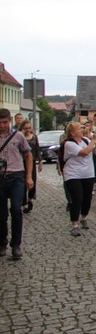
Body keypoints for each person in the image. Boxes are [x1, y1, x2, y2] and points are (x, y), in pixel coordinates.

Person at [0, 108, 33, 259]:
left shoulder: (18, 136)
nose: (2, 126)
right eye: (0, 123)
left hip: (17, 176)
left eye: (5, 122)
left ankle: (16, 245)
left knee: (16, 210)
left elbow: (28, 155)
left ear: (10, 121)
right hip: (1, 178)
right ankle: (2, 243)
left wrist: (28, 176)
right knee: (1, 214)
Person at [62, 122, 96, 237]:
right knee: (77, 198)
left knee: (87, 198)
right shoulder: (69, 144)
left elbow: (95, 151)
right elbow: (84, 152)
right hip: (73, 174)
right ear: (73, 133)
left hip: (87, 173)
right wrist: (94, 139)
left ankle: (84, 217)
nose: (82, 130)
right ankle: (74, 225)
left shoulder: (85, 140)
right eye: (80, 129)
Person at [20, 120, 42, 214]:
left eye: (29, 128)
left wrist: (40, 162)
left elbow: (37, 149)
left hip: (32, 162)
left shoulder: (34, 137)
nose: (28, 130)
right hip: (21, 162)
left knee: (33, 183)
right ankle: (24, 204)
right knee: (22, 184)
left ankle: (29, 199)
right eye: (26, 128)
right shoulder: (20, 137)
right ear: (22, 129)